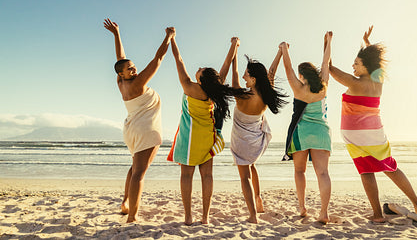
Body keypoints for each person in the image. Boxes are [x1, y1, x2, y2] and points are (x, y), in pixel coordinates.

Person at [328, 25, 417, 222]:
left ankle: (377, 214)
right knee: (390, 167)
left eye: (356, 63)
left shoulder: (355, 83)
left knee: (366, 170)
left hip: (356, 136)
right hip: (375, 133)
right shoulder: (378, 80)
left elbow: (329, 68)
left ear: (366, 66)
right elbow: (377, 65)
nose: (353, 67)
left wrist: (327, 44)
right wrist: (368, 44)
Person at [166, 32, 250, 225]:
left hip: (188, 139)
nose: (199, 67)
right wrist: (235, 45)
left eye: (201, 69)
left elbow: (178, 59)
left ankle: (188, 216)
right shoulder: (215, 89)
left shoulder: (189, 87)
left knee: (186, 175)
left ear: (202, 79)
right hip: (207, 138)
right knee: (207, 176)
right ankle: (205, 217)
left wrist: (173, 38)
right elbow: (227, 65)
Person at [103, 18, 175, 223]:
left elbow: (120, 58)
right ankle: (132, 216)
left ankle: (126, 202)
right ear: (121, 74)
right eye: (130, 69)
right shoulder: (139, 84)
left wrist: (117, 34)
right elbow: (158, 59)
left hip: (131, 130)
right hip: (146, 130)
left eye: (134, 67)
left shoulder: (121, 82)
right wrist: (168, 36)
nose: (134, 69)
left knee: (135, 168)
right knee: (140, 174)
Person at [228, 37, 288, 223]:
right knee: (252, 166)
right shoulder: (265, 93)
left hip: (242, 142)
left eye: (248, 75)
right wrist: (280, 51)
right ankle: (258, 199)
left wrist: (234, 49)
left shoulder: (242, 96)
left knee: (244, 177)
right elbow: (271, 72)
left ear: (253, 79)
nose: (244, 77)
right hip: (257, 141)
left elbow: (235, 73)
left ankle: (253, 215)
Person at [280, 32, 333, 224]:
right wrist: (328, 42)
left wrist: (285, 49)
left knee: (300, 171)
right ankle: (324, 212)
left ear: (301, 75)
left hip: (302, 134)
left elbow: (287, 69)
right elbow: (326, 63)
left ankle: (302, 207)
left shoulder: (298, 88)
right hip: (321, 133)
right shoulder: (323, 87)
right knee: (323, 173)